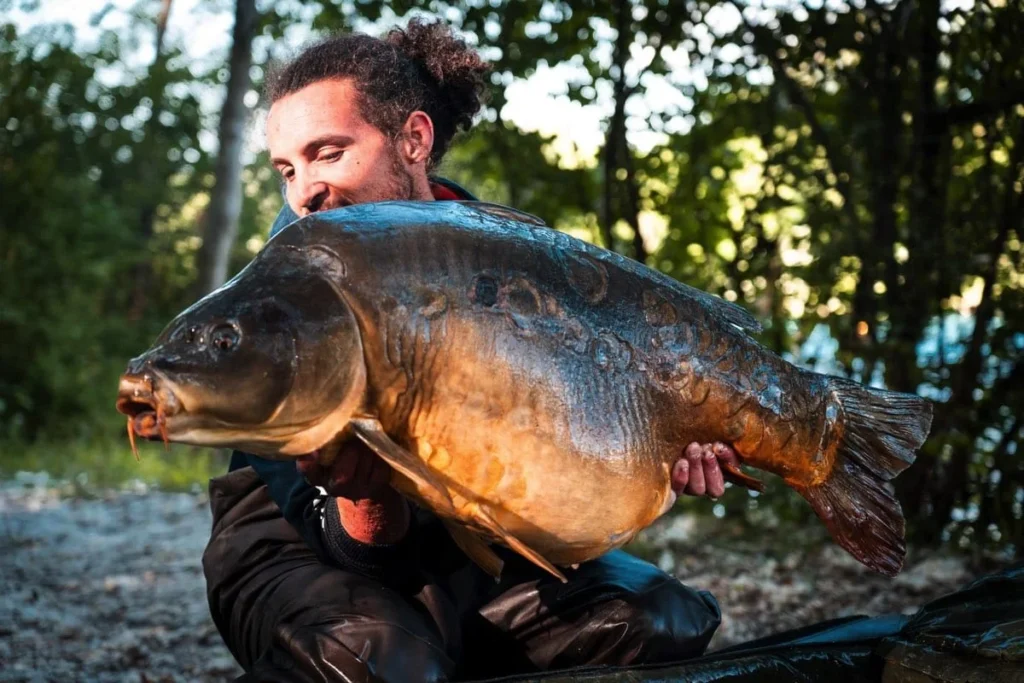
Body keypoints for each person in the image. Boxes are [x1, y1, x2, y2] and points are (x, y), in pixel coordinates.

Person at [202, 19, 736, 683]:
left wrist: (663, 443)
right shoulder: (286, 297)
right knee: (377, 657)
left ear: (414, 140)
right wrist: (362, 495)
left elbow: (562, 475)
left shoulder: (507, 264)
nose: (303, 189)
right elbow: (363, 552)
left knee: (659, 618)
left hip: (467, 548)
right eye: (288, 167)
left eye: (328, 153)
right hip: (298, 549)